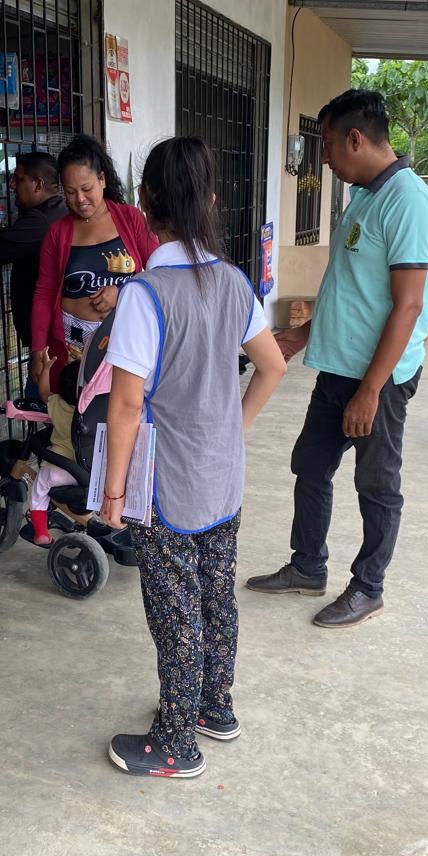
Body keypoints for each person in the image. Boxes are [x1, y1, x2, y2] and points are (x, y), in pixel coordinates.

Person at [99, 137, 286, 779]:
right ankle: (214, 706)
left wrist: (114, 493)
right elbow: (272, 366)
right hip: (222, 477)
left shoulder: (145, 294)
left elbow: (126, 406)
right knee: (216, 594)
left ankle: (176, 742)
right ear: (209, 200)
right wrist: (234, 428)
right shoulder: (233, 281)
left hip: (167, 484)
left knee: (174, 609)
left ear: (146, 202)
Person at [246, 89, 428, 630]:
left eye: (328, 144)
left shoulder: (407, 200)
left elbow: (407, 305)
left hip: (379, 378)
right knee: (310, 464)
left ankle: (369, 587)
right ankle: (308, 566)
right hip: (339, 368)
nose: (324, 157)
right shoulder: (364, 196)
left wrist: (371, 390)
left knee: (376, 484)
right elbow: (350, 288)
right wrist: (302, 334)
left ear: (356, 138)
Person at [31, 134, 157, 392]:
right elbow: (44, 293)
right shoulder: (57, 233)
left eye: (86, 189)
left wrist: (122, 292)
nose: (80, 199)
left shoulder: (130, 218)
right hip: (72, 347)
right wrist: (37, 349)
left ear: (102, 180)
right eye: (70, 192)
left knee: (122, 406)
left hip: (124, 339)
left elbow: (159, 274)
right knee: (74, 411)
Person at [0, 151, 67, 351]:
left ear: (38, 184)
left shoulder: (41, 220)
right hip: (50, 330)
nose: (12, 185)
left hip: (46, 338)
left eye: (19, 179)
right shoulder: (59, 209)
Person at [27, 352, 80, 547]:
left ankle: (41, 532)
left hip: (60, 470)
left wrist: (46, 368)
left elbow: (43, 391)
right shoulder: (94, 409)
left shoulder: (57, 403)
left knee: (39, 487)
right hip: (90, 471)